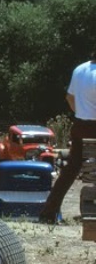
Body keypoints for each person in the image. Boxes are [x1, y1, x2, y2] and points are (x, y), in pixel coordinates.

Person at [39, 48, 96, 224]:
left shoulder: (79, 69)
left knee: (70, 170)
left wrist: (82, 112)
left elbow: (69, 98)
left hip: (80, 125)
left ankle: (48, 213)